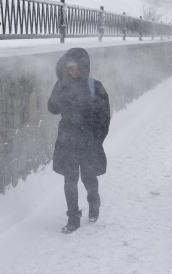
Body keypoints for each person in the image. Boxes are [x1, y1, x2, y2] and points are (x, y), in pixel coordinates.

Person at [47, 48, 111, 234]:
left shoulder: (95, 86)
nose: (72, 72)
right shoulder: (61, 85)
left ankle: (94, 201)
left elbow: (105, 116)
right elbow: (52, 108)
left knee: (88, 177)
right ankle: (73, 217)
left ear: (83, 67)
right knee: (70, 179)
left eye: (75, 68)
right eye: (69, 68)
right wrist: (61, 94)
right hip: (68, 139)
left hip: (89, 140)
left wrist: (98, 139)